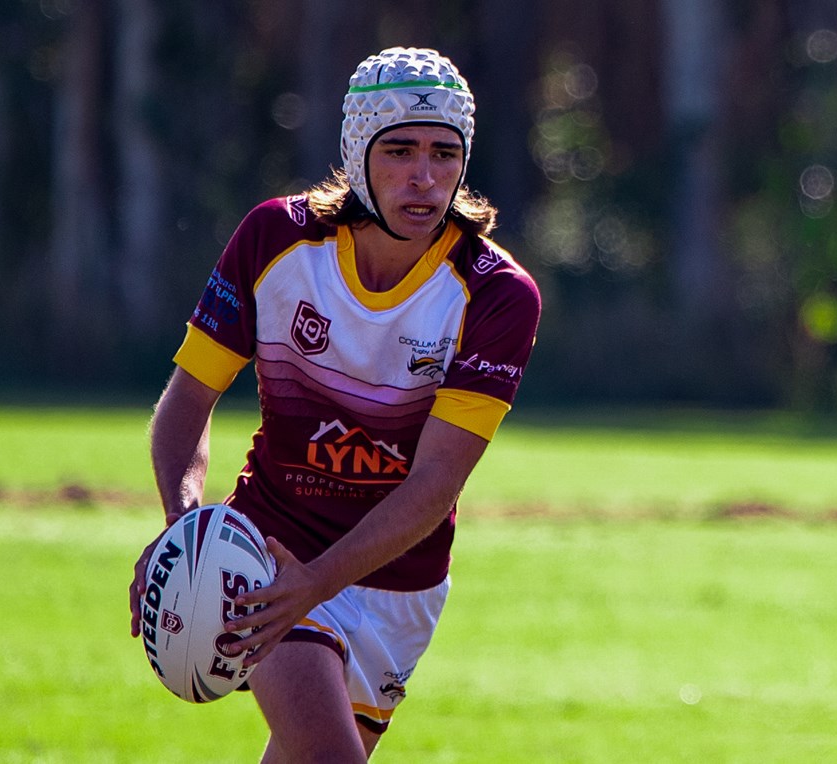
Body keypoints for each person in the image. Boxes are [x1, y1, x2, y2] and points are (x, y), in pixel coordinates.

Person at [130, 46, 541, 762]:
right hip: (268, 551)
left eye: (445, 153)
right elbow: (189, 399)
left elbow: (435, 483)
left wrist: (319, 582)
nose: (424, 177)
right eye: (400, 151)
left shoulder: (497, 294)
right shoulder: (276, 239)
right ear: (358, 153)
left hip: (398, 580)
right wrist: (185, 531)